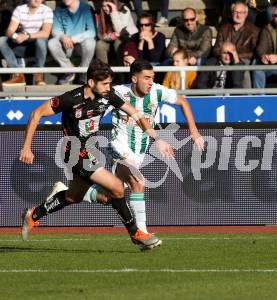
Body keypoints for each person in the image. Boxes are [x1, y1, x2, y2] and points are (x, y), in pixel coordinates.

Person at [19, 59, 174, 250]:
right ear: (91, 83)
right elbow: (36, 114)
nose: (109, 87)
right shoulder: (70, 99)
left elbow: (136, 114)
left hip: (89, 150)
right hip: (74, 151)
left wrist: (156, 137)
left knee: (73, 197)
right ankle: (136, 234)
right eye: (105, 83)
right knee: (117, 188)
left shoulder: (108, 96)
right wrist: (27, 147)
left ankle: (33, 214)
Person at [81, 58, 205, 234]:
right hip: (118, 147)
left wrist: (194, 132)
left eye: (152, 77)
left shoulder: (157, 92)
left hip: (138, 154)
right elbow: (97, 112)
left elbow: (183, 102)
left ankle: (78, 192)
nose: (150, 82)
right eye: (146, 78)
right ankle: (142, 233)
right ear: (134, 79)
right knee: (139, 182)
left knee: (113, 195)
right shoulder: (118, 93)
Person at [0, 0, 53, 86]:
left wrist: (27, 36)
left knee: (41, 41)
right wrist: (15, 36)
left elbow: (45, 33)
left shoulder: (47, 10)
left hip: (38, 47)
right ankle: (17, 74)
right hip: (21, 45)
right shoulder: (20, 9)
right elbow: (9, 31)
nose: (37, 0)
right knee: (2, 40)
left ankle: (38, 74)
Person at [49, 0, 96, 85]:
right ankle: (69, 71)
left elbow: (92, 32)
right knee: (52, 43)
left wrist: (72, 39)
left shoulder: (86, 8)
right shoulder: (58, 10)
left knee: (90, 42)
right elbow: (55, 30)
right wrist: (63, 37)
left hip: (81, 46)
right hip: (66, 46)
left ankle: (83, 72)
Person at [95, 0, 137, 65]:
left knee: (118, 42)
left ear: (114, 4)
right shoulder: (102, 13)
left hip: (126, 39)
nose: (105, 8)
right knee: (99, 45)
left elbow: (120, 31)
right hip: (109, 40)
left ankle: (121, 72)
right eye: (103, 6)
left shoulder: (125, 10)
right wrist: (110, 37)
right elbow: (99, 34)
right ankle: (103, 71)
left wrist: (114, 11)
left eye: (108, 6)